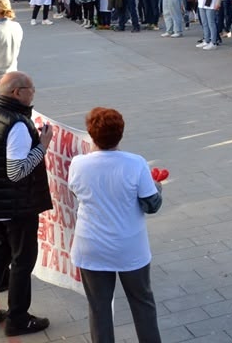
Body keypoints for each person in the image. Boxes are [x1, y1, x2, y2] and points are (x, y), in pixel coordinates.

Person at [0, 71, 53, 337]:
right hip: (16, 207)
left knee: (0, 253)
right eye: (32, 88)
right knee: (22, 261)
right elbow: (16, 172)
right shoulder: (16, 125)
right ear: (17, 92)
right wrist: (43, 146)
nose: (34, 93)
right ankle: (18, 318)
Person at [69, 108, 163, 343]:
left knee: (99, 308)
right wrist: (158, 187)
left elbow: (76, 191)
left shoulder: (79, 164)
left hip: (91, 245)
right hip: (130, 246)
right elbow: (152, 205)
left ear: (91, 134)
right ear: (120, 133)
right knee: (142, 304)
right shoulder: (135, 163)